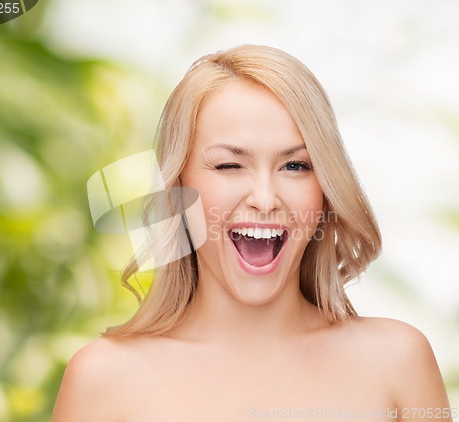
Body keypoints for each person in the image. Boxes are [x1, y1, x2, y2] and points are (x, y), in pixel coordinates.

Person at [52, 45, 452, 421]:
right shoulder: (102, 379)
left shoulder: (398, 361)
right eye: (229, 166)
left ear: (326, 191)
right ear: (177, 189)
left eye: (295, 166)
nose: (265, 198)